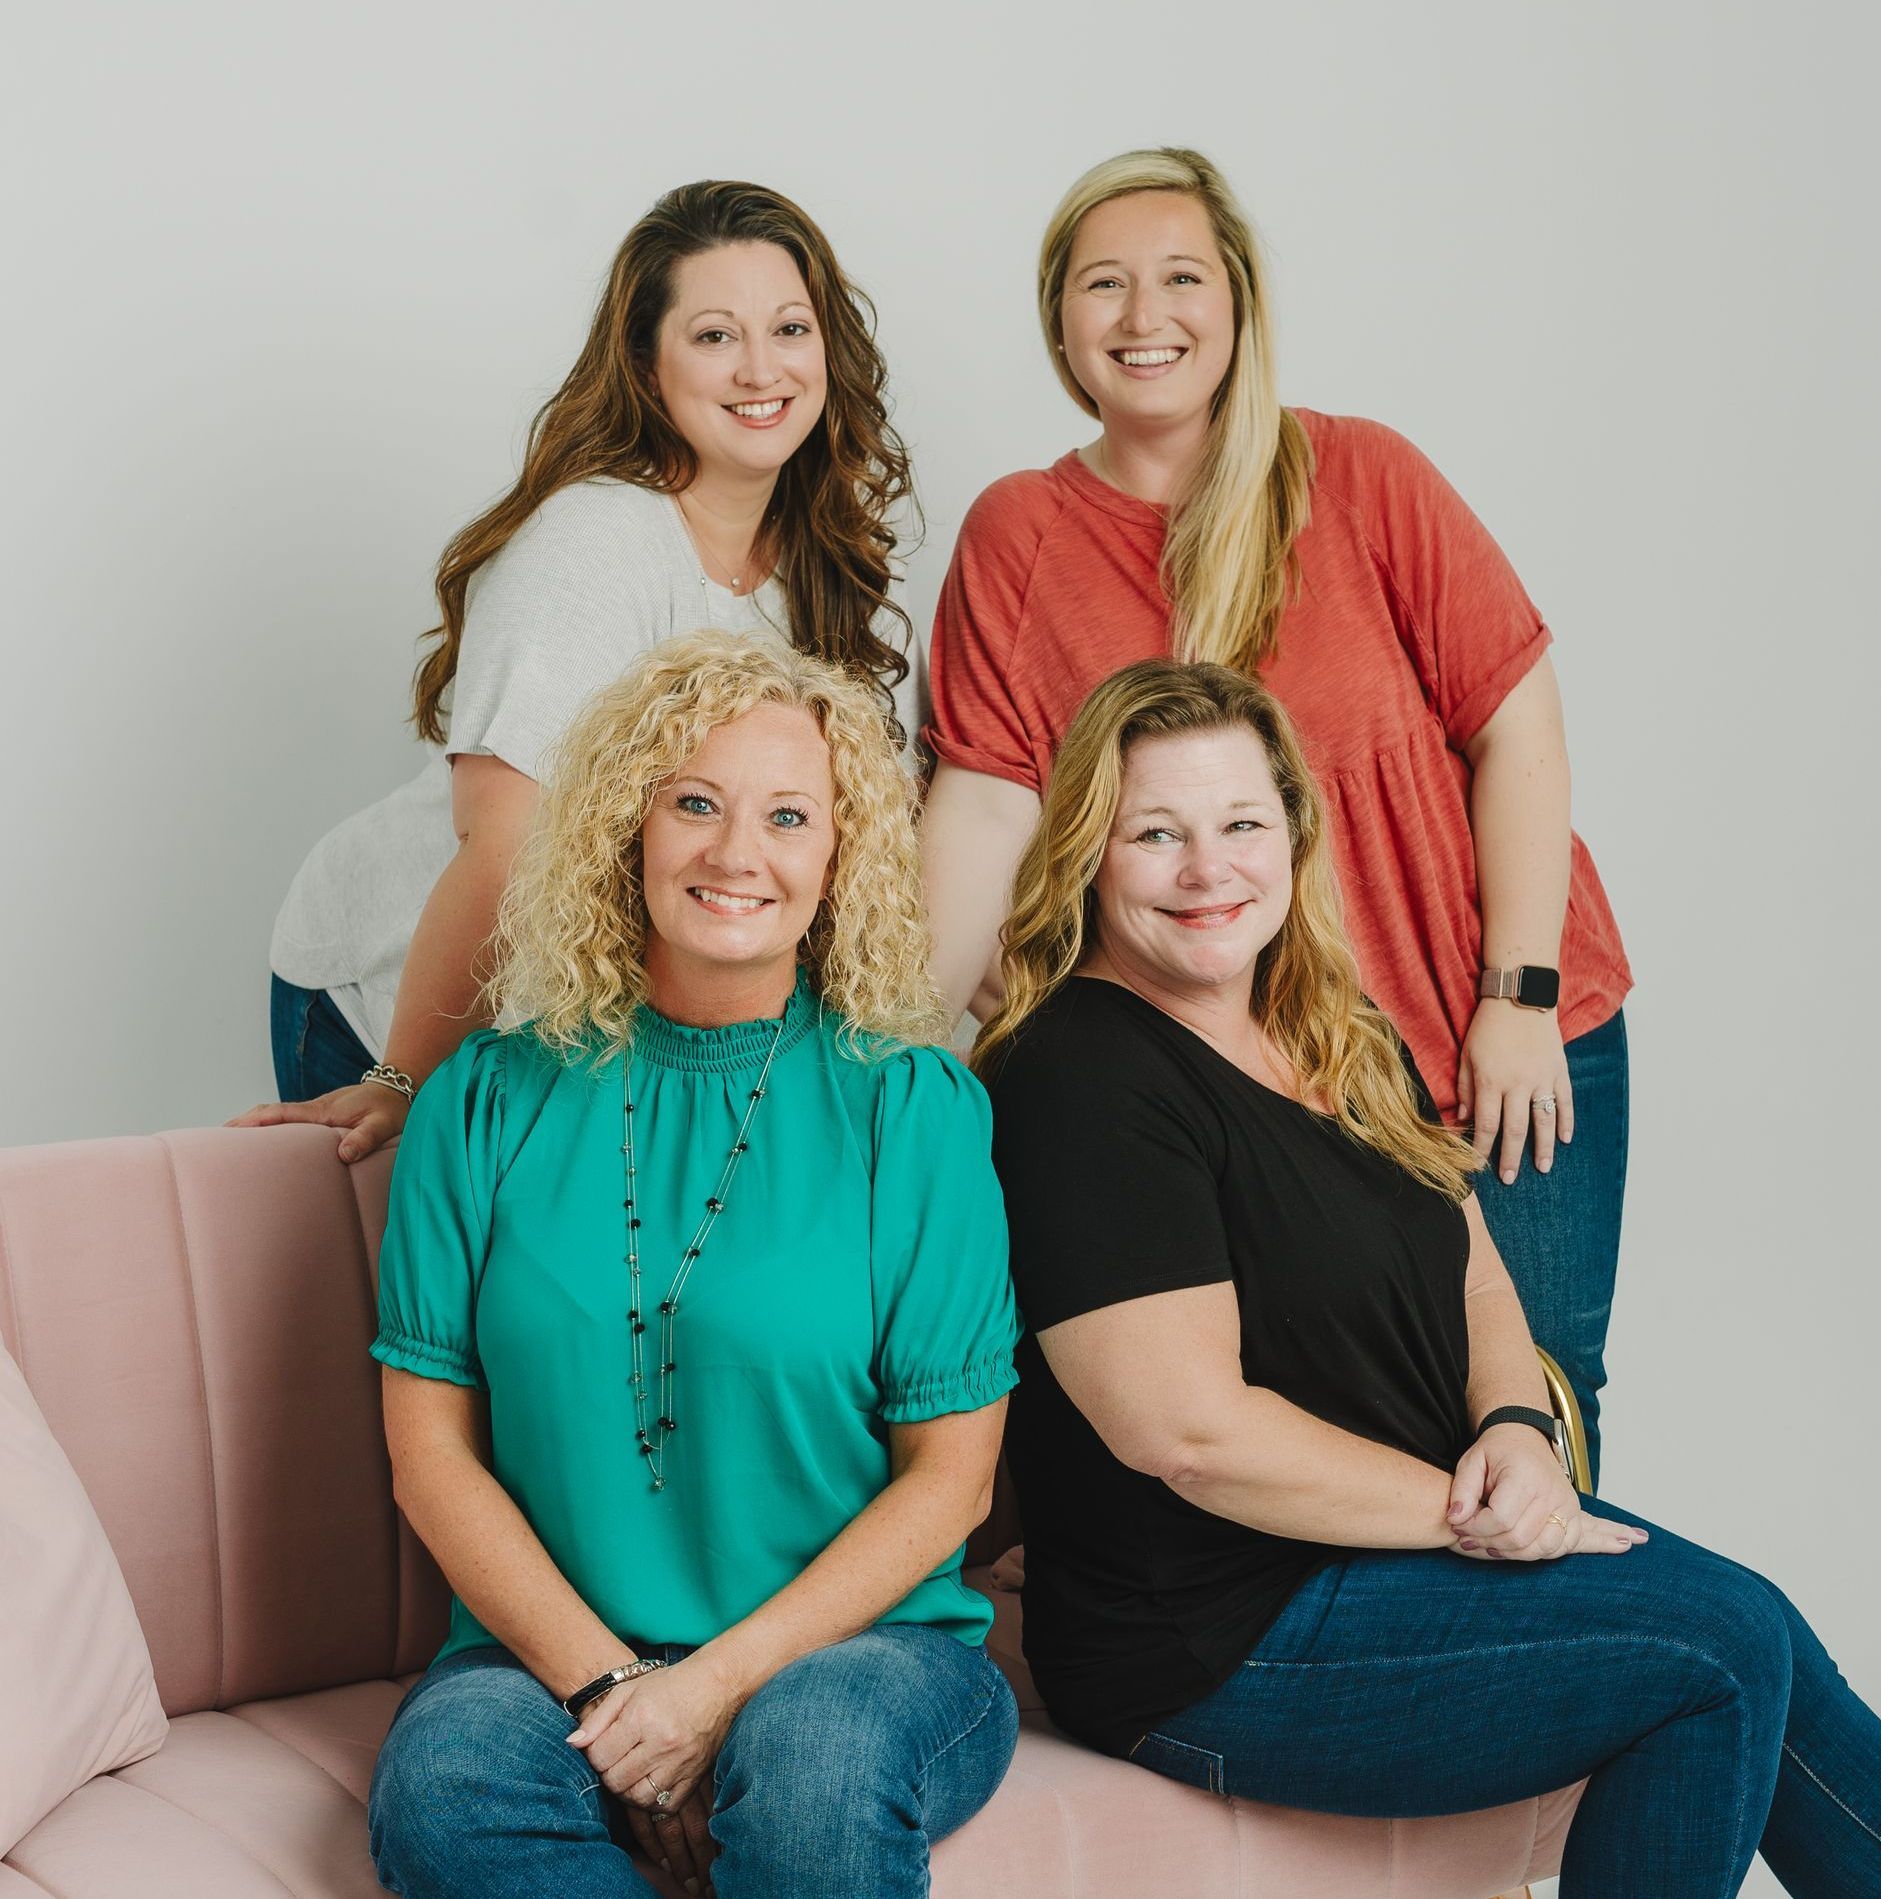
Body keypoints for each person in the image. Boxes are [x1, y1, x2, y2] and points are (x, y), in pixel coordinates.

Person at [975, 657, 1881, 1899]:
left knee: (1751, 1620)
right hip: (1213, 1641)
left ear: (1294, 837)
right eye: (1158, 834)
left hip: (1387, 1565)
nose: (1210, 871)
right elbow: (1186, 1434)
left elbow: (1473, 1272)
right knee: (1720, 1643)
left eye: (1242, 824)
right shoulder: (1080, 1077)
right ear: (1092, 854)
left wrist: (1521, 1428)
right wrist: (1475, 1517)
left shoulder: (1329, 1026)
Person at [922, 147, 1630, 1469]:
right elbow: (982, 816)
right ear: (1059, 324)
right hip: (1254, 1084)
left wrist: (1517, 997)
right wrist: (885, 1078)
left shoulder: (1362, 476)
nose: (1146, 317)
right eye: (1104, 285)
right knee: (1320, 1420)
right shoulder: (1021, 532)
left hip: (1492, 1029)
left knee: (1538, 1399)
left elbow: (1517, 728)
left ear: (1239, 304)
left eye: (1182, 276)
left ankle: (1575, 1660)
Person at [365, 634, 1019, 1899]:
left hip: (868, 1658)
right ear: (630, 829)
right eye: (695, 804)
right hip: (549, 1659)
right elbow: (430, 1455)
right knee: (445, 1796)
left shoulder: (913, 1109)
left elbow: (952, 1480)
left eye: (788, 816)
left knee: (813, 1765)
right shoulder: (484, 1103)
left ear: (840, 859)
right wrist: (620, 1694)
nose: (737, 853)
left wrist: (713, 1692)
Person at [235, 177, 918, 1162]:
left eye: (791, 329)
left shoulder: (833, 569)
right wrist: (402, 1082)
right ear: (647, 365)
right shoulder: (594, 543)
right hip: (400, 996)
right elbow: (504, 850)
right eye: (716, 335)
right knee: (445, 1308)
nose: (760, 368)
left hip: (607, 1010)